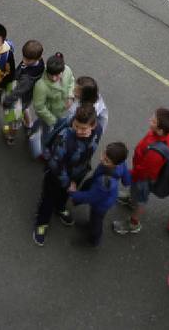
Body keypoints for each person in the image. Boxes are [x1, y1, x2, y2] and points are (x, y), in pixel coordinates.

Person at [33, 102, 100, 246]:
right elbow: (55, 164)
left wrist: (75, 179)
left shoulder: (97, 131)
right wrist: (68, 183)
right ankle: (42, 222)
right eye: (76, 126)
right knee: (48, 199)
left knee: (65, 195)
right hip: (57, 176)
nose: (78, 130)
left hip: (77, 173)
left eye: (83, 128)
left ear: (93, 125)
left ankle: (60, 208)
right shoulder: (65, 138)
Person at [113, 107, 169, 235]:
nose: (150, 119)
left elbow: (144, 172)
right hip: (141, 172)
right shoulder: (164, 135)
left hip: (142, 179)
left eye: (154, 121)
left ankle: (133, 223)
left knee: (141, 200)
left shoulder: (155, 154)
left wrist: (129, 175)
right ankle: (132, 200)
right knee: (136, 194)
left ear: (160, 130)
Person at [68, 141, 130, 246]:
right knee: (95, 218)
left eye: (106, 160)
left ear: (116, 163)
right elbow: (126, 180)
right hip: (108, 197)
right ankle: (90, 225)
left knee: (97, 220)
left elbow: (91, 197)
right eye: (103, 154)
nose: (101, 159)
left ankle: (93, 240)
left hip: (101, 204)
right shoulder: (121, 163)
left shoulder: (104, 183)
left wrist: (73, 193)